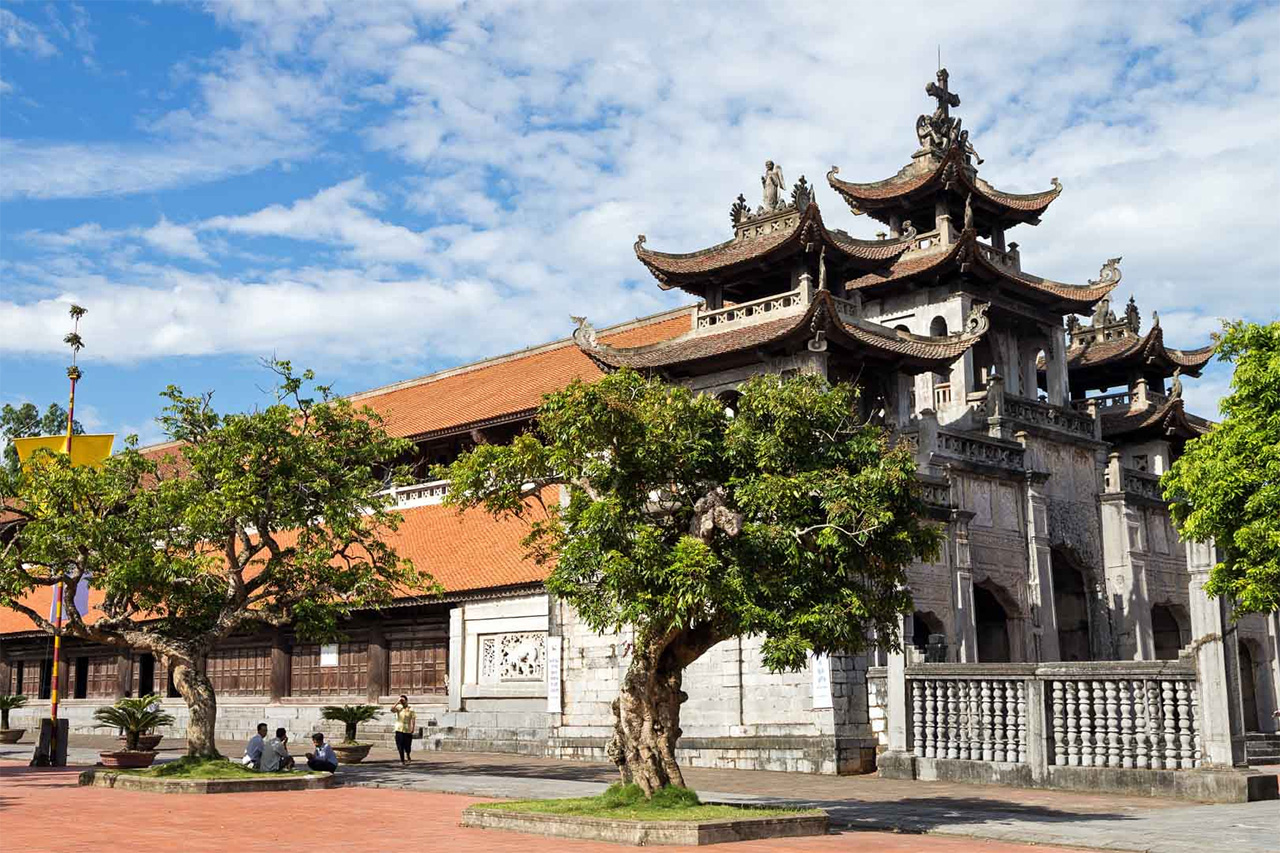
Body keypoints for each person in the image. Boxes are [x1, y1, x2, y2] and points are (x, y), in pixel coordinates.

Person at [391, 695, 417, 765]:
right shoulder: (399, 708)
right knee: (400, 745)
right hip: (399, 729)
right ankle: (402, 760)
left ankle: (408, 754)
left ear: (406, 700)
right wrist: (397, 702)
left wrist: (413, 728)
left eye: (403, 700)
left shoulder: (411, 709)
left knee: (407, 745)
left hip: (407, 730)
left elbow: (413, 719)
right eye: (401, 700)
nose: (402, 701)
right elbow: (392, 709)